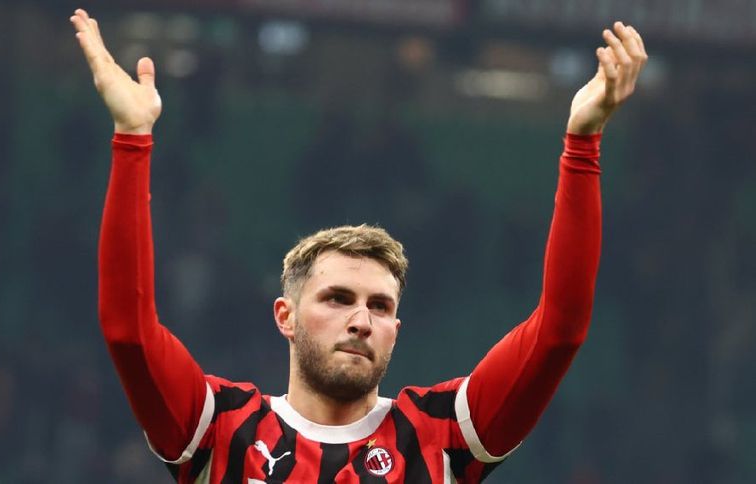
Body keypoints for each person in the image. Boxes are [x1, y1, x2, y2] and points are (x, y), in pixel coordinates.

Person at [70, 8, 647, 482]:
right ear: (285, 315)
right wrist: (132, 138)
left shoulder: (440, 434)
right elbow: (128, 330)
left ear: (397, 327)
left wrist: (583, 140)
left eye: (380, 306)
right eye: (338, 298)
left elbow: (559, 331)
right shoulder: (220, 428)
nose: (361, 321)